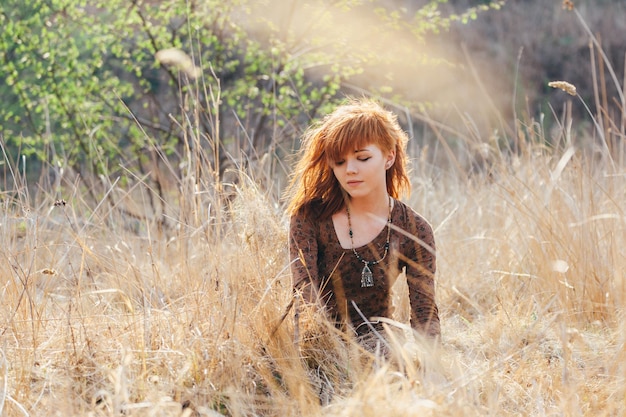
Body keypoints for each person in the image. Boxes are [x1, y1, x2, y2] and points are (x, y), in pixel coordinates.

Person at [285, 98, 440, 349]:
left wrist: (431, 369)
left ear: (388, 158)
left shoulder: (414, 229)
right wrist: (319, 360)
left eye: (363, 158)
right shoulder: (309, 218)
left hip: (380, 348)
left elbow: (425, 315)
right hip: (318, 347)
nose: (350, 170)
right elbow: (305, 300)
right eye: (340, 161)